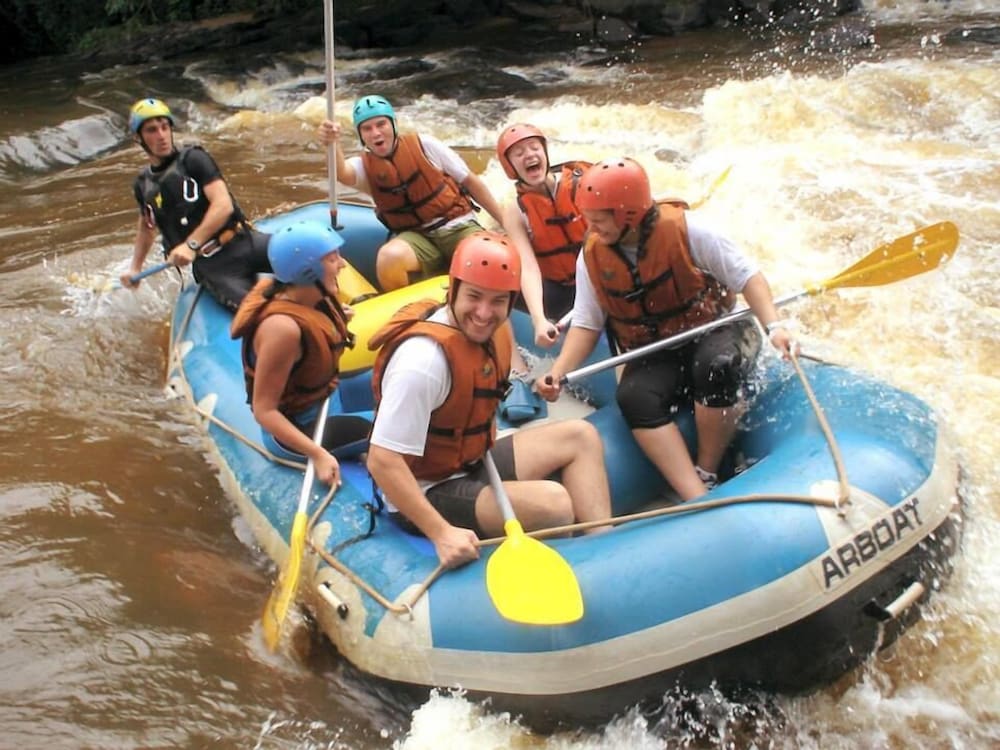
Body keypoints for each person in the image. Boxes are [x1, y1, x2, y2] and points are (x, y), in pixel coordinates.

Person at [536, 157, 794, 500]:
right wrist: (559, 371)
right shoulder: (593, 255)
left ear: (628, 213)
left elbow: (748, 277)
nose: (592, 228)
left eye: (599, 220)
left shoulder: (689, 230)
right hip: (658, 348)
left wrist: (774, 326)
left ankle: (707, 469)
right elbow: (586, 323)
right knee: (633, 396)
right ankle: (695, 493)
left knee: (716, 367)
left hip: (717, 329)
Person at [365, 231, 613, 569]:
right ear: (452, 289)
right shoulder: (422, 363)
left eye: (498, 300)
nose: (484, 312)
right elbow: (382, 461)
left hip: (468, 460)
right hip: (427, 488)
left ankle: (606, 550)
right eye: (474, 296)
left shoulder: (495, 329)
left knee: (580, 436)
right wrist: (441, 533)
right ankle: (582, 571)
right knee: (553, 503)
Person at [230, 221, 371, 487]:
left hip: (327, 395)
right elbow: (264, 410)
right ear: (308, 271)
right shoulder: (282, 330)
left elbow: (320, 337)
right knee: (392, 431)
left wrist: (337, 321)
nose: (342, 264)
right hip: (301, 428)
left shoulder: (312, 297)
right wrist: (318, 454)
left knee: (393, 378)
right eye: (332, 259)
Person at [316, 94, 504, 292]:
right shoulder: (365, 167)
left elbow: (472, 183)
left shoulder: (426, 145)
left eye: (381, 124)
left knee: (484, 254)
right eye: (367, 128)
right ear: (361, 135)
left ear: (394, 124)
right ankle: (408, 315)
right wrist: (332, 143)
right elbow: (342, 173)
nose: (376, 133)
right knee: (389, 257)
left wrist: (504, 222)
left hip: (457, 227)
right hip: (417, 238)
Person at [122, 97, 272, 310]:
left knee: (313, 255)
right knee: (257, 313)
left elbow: (223, 205)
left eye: (165, 127)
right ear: (138, 137)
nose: (161, 136)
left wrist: (190, 244)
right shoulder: (143, 185)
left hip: (244, 241)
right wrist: (135, 268)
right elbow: (147, 227)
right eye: (152, 130)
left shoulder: (194, 159)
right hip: (214, 265)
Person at [496, 123, 592, 349]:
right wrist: (539, 319)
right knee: (497, 285)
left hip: (601, 279)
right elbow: (528, 267)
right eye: (519, 153)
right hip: (561, 290)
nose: (529, 155)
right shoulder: (515, 211)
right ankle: (512, 358)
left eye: (534, 148)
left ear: (545, 153)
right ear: (510, 167)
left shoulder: (582, 183)